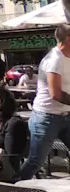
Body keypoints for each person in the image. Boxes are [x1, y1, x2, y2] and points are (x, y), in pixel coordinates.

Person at [19, 24, 70, 179]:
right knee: (35, 161)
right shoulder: (54, 60)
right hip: (46, 118)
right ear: (68, 40)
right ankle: (12, 191)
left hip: (65, 115)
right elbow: (56, 94)